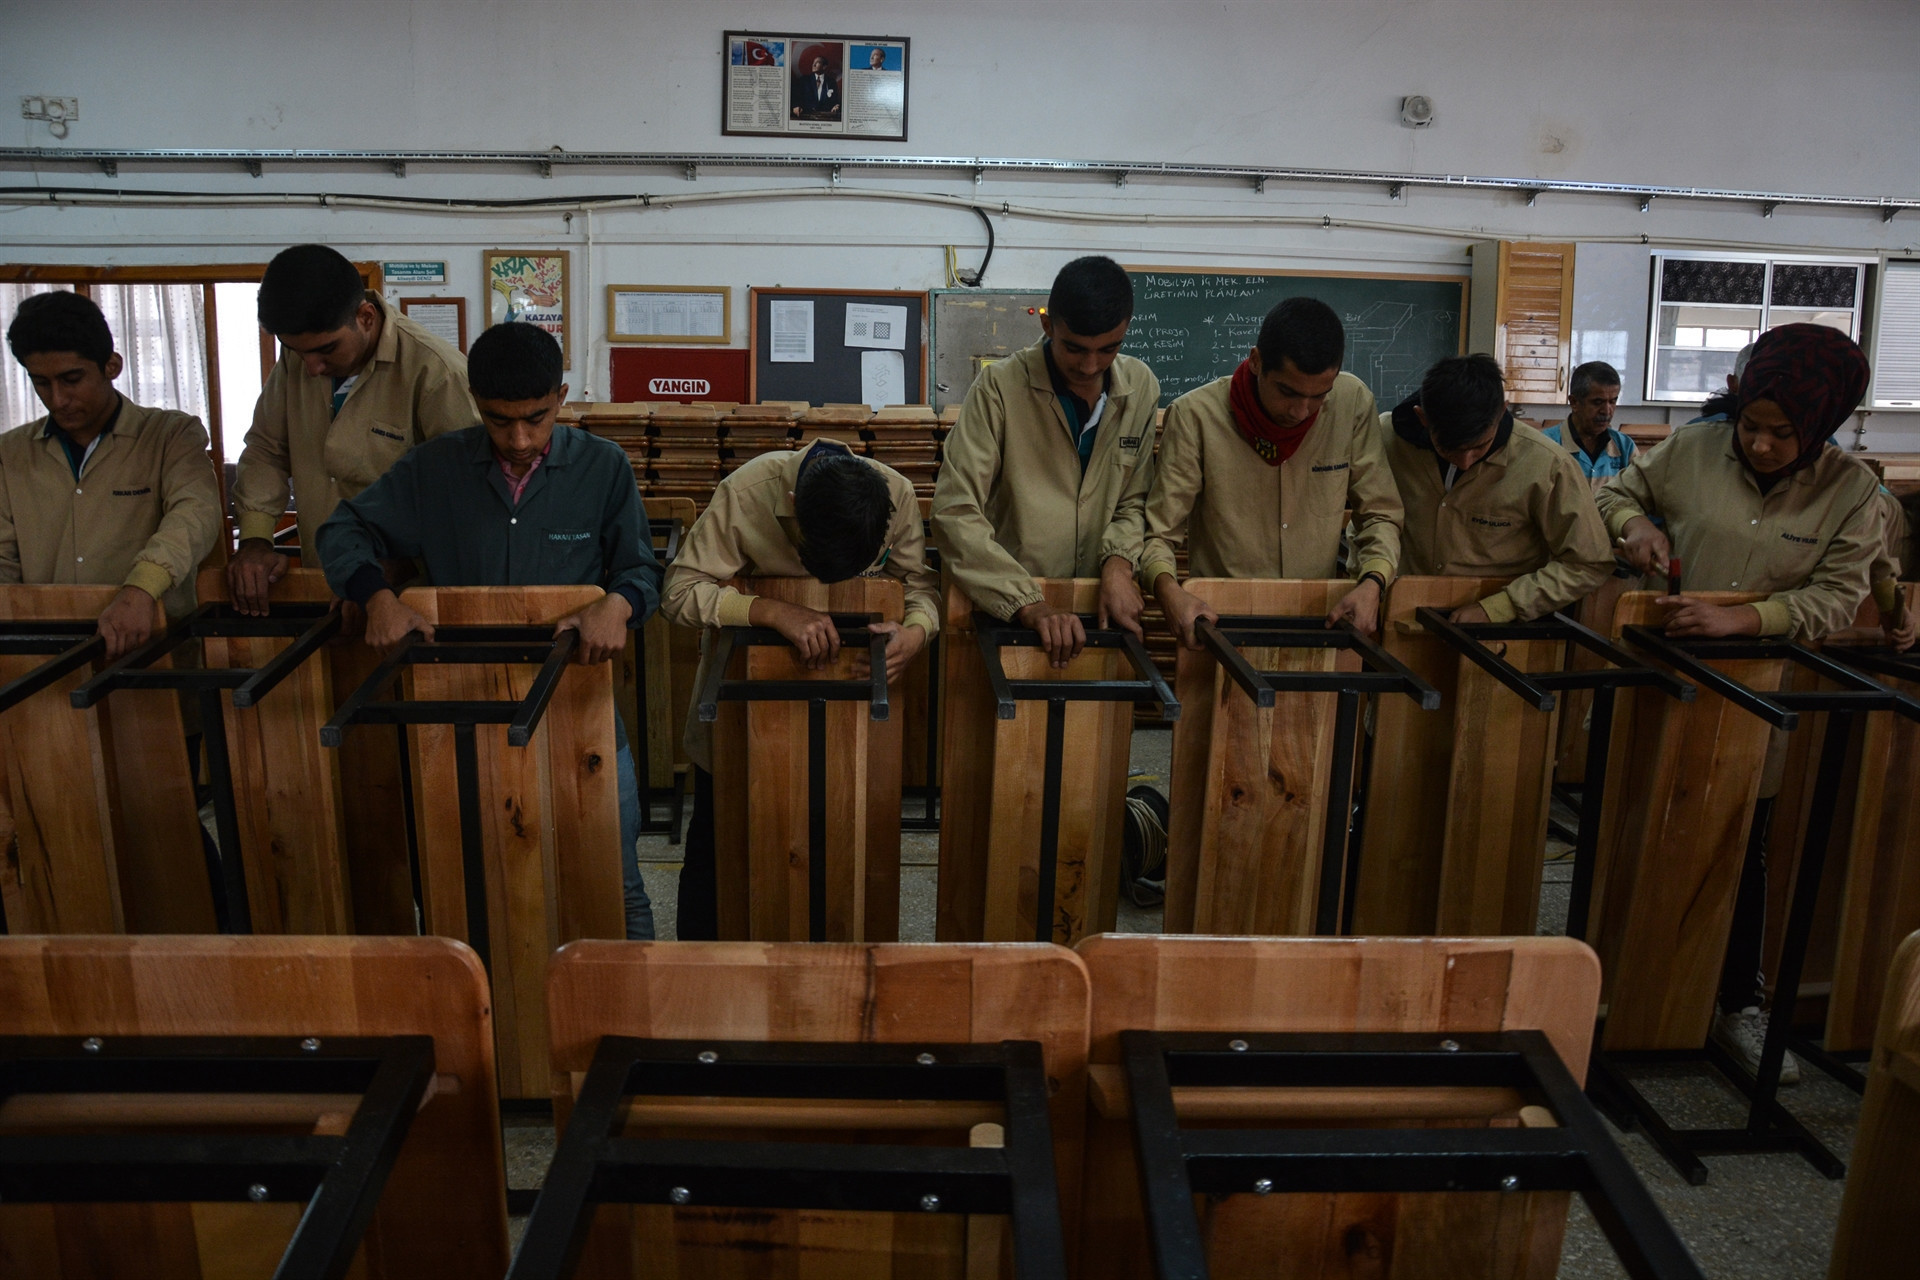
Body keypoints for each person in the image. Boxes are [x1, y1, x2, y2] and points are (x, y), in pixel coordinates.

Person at [1596, 322, 1882, 1082]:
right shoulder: (1694, 449)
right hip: (1657, 683)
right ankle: (1605, 996)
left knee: (1738, 844)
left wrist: (1748, 618)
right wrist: (1633, 524)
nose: (1758, 444)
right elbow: (1617, 492)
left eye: (1782, 434)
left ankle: (1736, 1006)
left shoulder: (1854, 493)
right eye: (1751, 424)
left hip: (1755, 698)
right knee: (1628, 833)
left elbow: (1837, 596)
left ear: (1821, 423)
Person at [314, 323, 663, 939]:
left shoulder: (602, 467)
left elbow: (641, 568)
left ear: (560, 397)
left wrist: (620, 603)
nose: (519, 439)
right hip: (460, 714)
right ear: (475, 401)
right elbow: (343, 530)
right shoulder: (435, 469)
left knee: (612, 882)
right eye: (500, 421)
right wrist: (376, 597)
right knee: (466, 882)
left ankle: (623, 998)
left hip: (579, 712)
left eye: (536, 418)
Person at [662, 437, 939, 939]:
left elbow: (920, 586)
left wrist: (917, 632)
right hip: (741, 719)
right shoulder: (749, 490)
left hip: (853, 722)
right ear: (792, 506)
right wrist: (770, 610)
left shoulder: (895, 495)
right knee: (718, 858)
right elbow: (678, 594)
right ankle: (703, 977)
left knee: (849, 855)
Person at [933, 256, 1159, 665]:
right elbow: (955, 511)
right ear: (1047, 325)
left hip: (1098, 610)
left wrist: (1119, 563)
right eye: (1075, 348)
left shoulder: (1140, 387)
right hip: (1004, 610)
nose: (1090, 365)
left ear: (1126, 330)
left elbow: (1133, 501)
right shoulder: (999, 388)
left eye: (1109, 349)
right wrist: (1027, 602)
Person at [1140, 296, 1401, 646]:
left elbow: (1381, 514)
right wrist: (1168, 590)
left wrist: (1374, 581)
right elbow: (1157, 532)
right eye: (1287, 392)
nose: (1300, 411)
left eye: (1319, 396)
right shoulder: (1195, 417)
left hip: (1322, 622)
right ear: (1256, 361)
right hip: (1219, 625)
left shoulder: (1352, 403)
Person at [229, 244, 475, 614]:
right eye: (296, 351)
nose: (312, 368)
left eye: (326, 350)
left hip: (409, 597)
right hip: (324, 584)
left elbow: (465, 495)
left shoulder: (437, 373)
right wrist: (255, 538)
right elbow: (267, 450)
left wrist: (395, 570)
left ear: (366, 317)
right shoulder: (300, 359)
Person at [0, 290, 220, 655]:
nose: (57, 399)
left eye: (72, 379)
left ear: (111, 366)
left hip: (156, 650)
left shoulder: (170, 435)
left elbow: (195, 515)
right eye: (41, 383)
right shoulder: (10, 454)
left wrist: (142, 588)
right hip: (42, 659)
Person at [1383, 353, 1611, 623]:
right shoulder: (1388, 439)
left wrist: (1503, 606)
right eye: (1449, 449)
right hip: (1401, 617)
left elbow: (1589, 562)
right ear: (1422, 418)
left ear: (1502, 411)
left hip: (1503, 631)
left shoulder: (1549, 466)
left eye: (1479, 446)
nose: (1465, 462)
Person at [1541, 361, 1635, 490]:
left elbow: (1638, 496)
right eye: (1598, 402)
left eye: (1612, 402)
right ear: (1574, 402)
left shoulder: (1625, 447)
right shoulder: (1546, 445)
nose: (1607, 411)